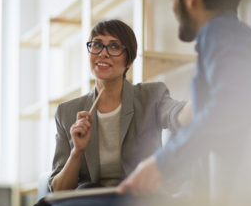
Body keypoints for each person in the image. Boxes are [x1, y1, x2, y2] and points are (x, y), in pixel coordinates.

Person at [44, 0, 251, 206]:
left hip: (227, 197)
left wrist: (161, 165)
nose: (172, 7)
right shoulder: (233, 37)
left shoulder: (220, 35)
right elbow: (220, 111)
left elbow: (217, 112)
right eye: (96, 46)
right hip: (230, 192)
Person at [48, 19, 191, 193]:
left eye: (114, 47)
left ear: (128, 61)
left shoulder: (151, 96)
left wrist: (204, 104)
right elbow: (58, 190)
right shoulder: (66, 112)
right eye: (97, 45)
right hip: (89, 201)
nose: (103, 53)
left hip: (137, 198)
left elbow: (174, 114)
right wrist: (77, 151)